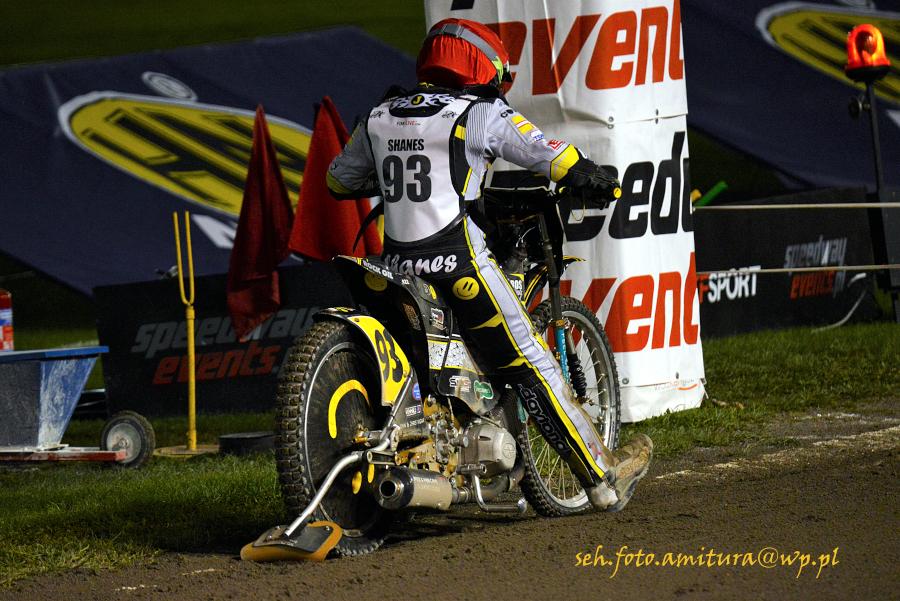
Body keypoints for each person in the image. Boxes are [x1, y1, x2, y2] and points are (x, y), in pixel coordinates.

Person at [326, 18, 653, 512]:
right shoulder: (480, 112)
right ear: (484, 66)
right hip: (460, 267)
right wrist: (592, 175)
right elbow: (548, 156)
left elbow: (339, 181)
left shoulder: (382, 113)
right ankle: (602, 479)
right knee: (529, 359)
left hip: (396, 271)